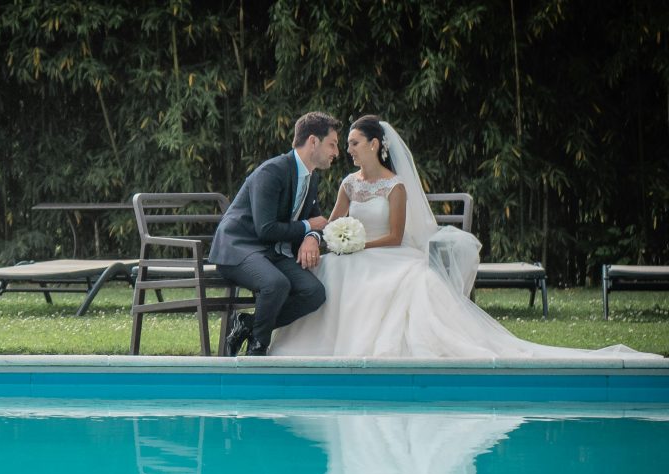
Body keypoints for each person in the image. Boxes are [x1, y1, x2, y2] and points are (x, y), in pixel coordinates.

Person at [270, 115, 663, 359]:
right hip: (351, 255)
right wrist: (326, 241)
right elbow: (330, 222)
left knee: (407, 282)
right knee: (328, 274)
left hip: (386, 253)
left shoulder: (396, 187)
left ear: (374, 144)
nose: (348, 151)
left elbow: (393, 237)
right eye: (345, 145)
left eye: (353, 143)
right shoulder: (347, 184)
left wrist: (357, 245)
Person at [209, 111, 342, 356]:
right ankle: (258, 349)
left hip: (272, 254)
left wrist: (311, 238)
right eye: (332, 144)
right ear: (313, 141)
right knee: (276, 284)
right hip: (240, 248)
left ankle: (247, 325)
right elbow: (266, 228)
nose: (336, 152)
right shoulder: (271, 172)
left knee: (314, 293)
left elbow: (316, 220)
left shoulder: (311, 178)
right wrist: (307, 227)